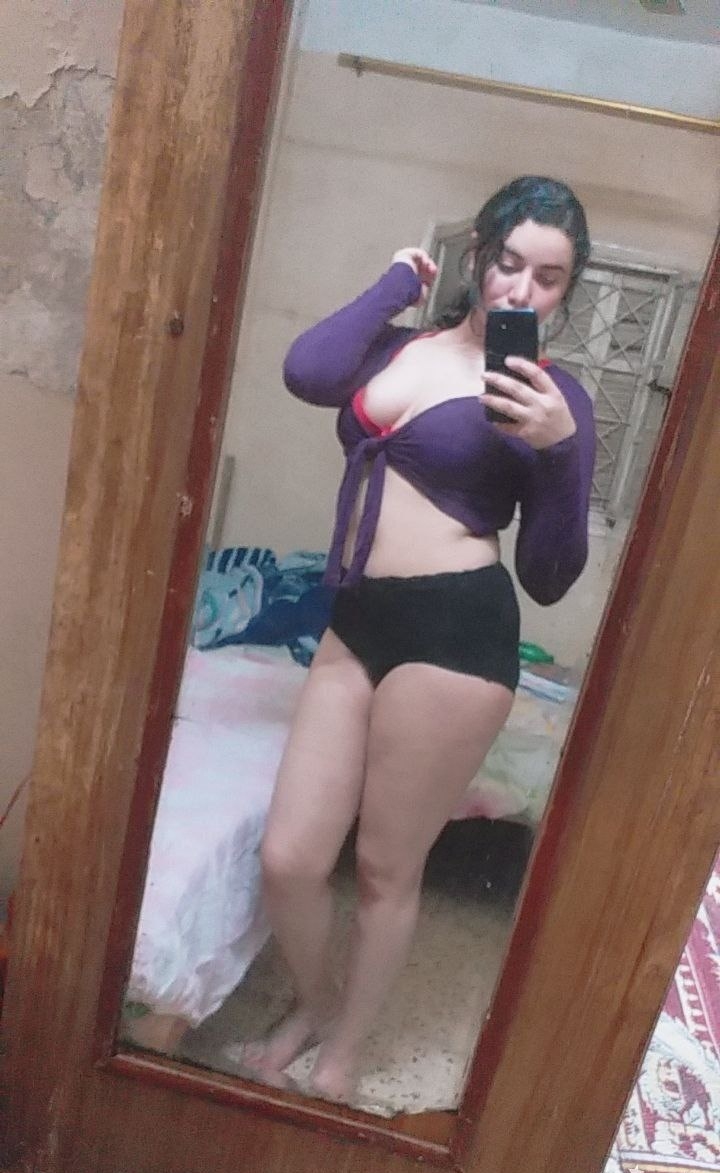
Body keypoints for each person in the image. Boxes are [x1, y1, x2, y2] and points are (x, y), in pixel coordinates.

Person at [243, 175, 596, 1103]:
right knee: (290, 858)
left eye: (549, 277)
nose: (521, 289)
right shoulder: (403, 344)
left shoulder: (556, 398)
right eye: (508, 262)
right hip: (357, 619)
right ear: (479, 255)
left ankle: (346, 1052)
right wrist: (396, 281)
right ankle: (315, 1001)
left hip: (457, 631)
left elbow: (550, 575)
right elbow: (308, 372)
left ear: (567, 289)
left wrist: (560, 453)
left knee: (384, 870)